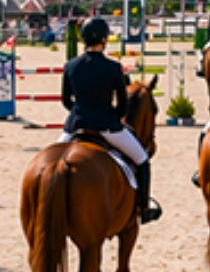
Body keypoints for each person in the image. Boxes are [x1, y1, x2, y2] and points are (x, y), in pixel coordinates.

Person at [63, 18, 160, 223]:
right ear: (105, 40)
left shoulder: (71, 66)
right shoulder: (113, 67)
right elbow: (123, 104)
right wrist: (114, 117)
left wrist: (80, 114)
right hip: (107, 126)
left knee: (50, 163)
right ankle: (144, 207)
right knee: (142, 159)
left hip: (75, 126)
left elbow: (66, 100)